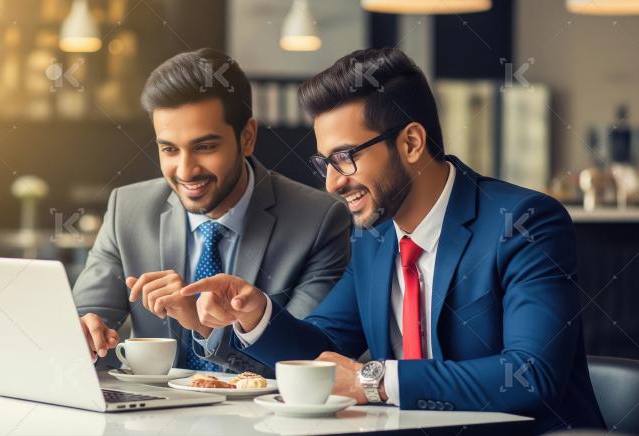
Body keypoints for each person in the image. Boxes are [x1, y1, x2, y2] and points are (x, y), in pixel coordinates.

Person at [181, 47, 604, 433]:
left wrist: (375, 381)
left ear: (412, 143)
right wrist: (257, 316)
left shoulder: (524, 223)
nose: (332, 183)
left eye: (345, 158)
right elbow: (324, 351)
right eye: (325, 163)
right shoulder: (376, 238)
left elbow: (531, 374)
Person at [72, 48, 351, 375]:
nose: (186, 171)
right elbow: (86, 319)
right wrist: (86, 333)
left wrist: (204, 327)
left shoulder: (319, 220)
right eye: (169, 149)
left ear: (247, 138)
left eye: (205, 147)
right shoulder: (127, 209)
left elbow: (307, 360)